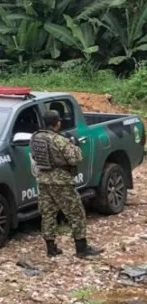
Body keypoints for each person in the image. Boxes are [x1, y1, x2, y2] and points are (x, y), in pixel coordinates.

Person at [30, 110, 103, 258]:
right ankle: (81, 248)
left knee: (48, 214)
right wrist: (75, 146)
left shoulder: (35, 137)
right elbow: (75, 159)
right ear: (57, 123)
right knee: (76, 213)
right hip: (61, 181)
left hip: (43, 179)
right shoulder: (59, 140)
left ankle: (51, 248)